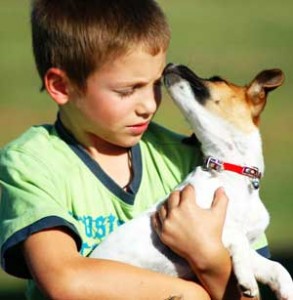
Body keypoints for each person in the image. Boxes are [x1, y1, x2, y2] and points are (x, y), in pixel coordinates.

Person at [0, 1, 269, 299]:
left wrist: (209, 260)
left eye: (155, 85)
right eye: (127, 91)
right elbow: (66, 282)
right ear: (61, 86)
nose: (149, 105)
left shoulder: (194, 160)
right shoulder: (32, 163)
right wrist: (192, 295)